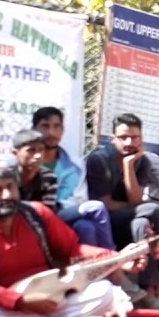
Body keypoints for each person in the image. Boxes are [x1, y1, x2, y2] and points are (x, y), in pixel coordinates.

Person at [0, 162, 135, 317]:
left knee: (104, 291)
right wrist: (20, 301)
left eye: (10, 187)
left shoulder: (37, 213)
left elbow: (73, 250)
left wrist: (118, 259)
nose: (7, 195)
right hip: (8, 307)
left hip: (52, 299)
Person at [85, 114, 159, 298]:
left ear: (141, 138)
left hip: (130, 218)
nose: (129, 142)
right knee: (154, 209)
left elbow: (135, 199)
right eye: (123, 137)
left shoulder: (142, 160)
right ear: (113, 138)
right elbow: (106, 205)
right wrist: (138, 207)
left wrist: (129, 165)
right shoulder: (98, 159)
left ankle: (147, 288)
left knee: (141, 223)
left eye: (134, 137)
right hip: (105, 221)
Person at [31, 107, 115, 250]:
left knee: (86, 227)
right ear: (34, 129)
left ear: (62, 129)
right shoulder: (29, 162)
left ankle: (98, 262)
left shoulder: (75, 165)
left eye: (56, 126)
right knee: (97, 207)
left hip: (65, 215)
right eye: (45, 126)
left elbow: (80, 199)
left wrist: (61, 208)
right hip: (38, 216)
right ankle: (112, 257)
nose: (51, 132)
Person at [11, 129, 59, 210]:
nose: (38, 156)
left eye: (41, 150)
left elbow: (47, 211)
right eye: (31, 150)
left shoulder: (49, 177)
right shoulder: (6, 177)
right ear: (15, 153)